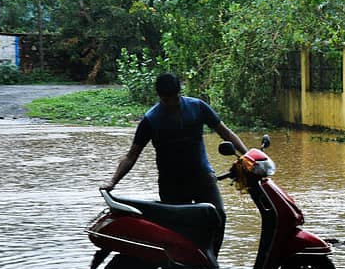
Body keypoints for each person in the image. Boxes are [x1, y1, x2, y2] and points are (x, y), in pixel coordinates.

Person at [100, 72, 248, 253]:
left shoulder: (198, 107)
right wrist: (113, 181)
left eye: (174, 98)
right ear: (159, 96)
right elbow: (132, 155)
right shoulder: (151, 119)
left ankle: (211, 261)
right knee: (178, 229)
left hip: (201, 175)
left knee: (218, 216)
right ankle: (181, 265)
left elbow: (226, 133)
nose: (170, 103)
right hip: (172, 183)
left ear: (180, 92)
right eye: (165, 99)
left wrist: (248, 156)